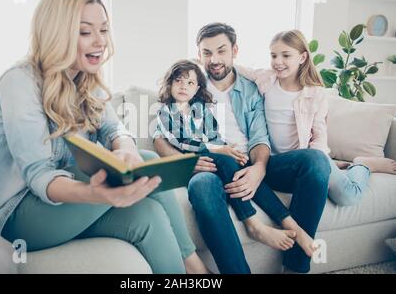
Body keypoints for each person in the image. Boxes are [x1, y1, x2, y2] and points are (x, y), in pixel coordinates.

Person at [0, 0, 209, 274]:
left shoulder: (87, 81)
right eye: (85, 32)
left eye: (103, 30)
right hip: (10, 213)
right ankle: (199, 269)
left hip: (58, 205)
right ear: (57, 34)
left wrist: (125, 150)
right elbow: (39, 174)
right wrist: (98, 194)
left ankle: (192, 272)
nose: (100, 41)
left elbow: (116, 131)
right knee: (151, 160)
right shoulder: (19, 81)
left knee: (148, 214)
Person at [154, 23, 331, 274]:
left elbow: (260, 137)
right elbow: (159, 137)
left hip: (250, 161)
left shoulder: (251, 88)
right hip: (211, 165)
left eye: (221, 51)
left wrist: (259, 168)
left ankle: (294, 267)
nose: (214, 59)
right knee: (202, 186)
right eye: (206, 52)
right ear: (198, 54)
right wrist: (187, 163)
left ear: (235, 50)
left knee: (316, 162)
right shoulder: (190, 84)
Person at [154, 59, 314, 253]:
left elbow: (214, 135)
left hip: (216, 156)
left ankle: (289, 223)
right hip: (195, 160)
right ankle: (253, 223)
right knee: (227, 159)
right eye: (178, 81)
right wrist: (216, 150)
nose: (183, 86)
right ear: (169, 83)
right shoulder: (165, 111)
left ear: (197, 88)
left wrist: (227, 148)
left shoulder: (202, 108)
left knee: (243, 167)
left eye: (190, 83)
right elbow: (182, 141)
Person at [235, 29, 396, 207]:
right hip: (279, 161)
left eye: (286, 55)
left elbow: (319, 134)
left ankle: (363, 165)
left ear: (302, 57)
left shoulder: (314, 93)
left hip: (308, 158)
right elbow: (241, 70)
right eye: (274, 56)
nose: (278, 62)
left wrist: (319, 165)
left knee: (348, 196)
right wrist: (203, 62)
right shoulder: (266, 79)